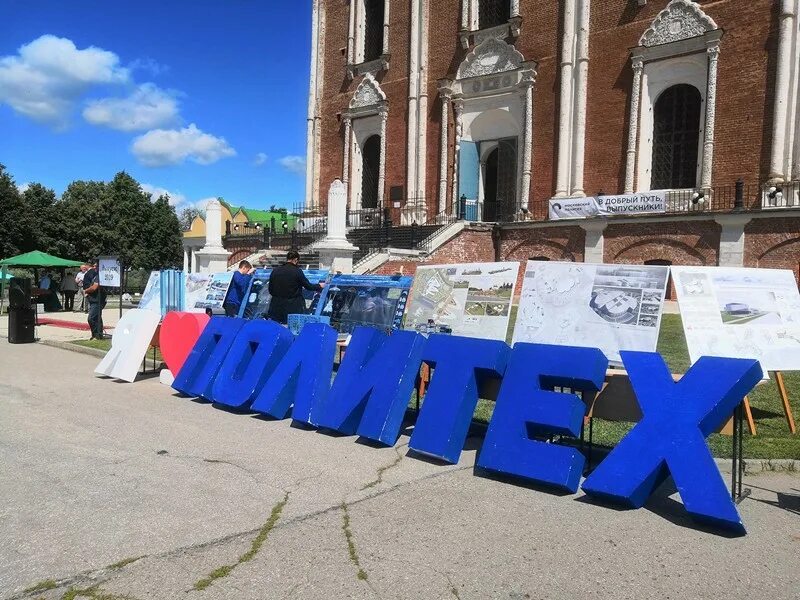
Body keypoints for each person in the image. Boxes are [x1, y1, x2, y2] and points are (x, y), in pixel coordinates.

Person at [267, 251, 325, 324]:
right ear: (296, 260)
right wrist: (319, 285)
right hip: (292, 307)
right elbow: (308, 286)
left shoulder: (275, 271)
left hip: (276, 306)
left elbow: (270, 290)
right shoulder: (297, 271)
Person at [82, 261, 105, 340]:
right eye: (94, 266)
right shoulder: (96, 275)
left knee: (91, 318)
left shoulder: (100, 276)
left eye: (96, 266)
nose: (94, 268)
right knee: (97, 317)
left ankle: (96, 335)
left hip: (97, 299)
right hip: (93, 299)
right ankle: (97, 335)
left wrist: (86, 291)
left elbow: (94, 287)